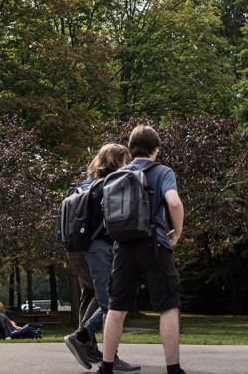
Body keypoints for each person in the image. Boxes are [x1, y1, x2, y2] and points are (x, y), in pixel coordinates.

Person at [100, 125, 186, 374]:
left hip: (123, 247)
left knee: (116, 308)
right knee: (168, 305)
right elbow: (174, 202)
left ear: (131, 148)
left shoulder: (116, 175)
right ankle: (173, 368)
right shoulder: (162, 171)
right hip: (154, 244)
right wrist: (177, 232)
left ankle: (106, 367)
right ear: (155, 149)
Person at [64, 143, 139, 372]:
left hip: (92, 249)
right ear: (115, 161)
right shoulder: (108, 185)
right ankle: (108, 357)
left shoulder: (94, 183)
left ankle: (82, 337)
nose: (127, 165)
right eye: (124, 161)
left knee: (109, 301)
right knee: (111, 304)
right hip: (100, 249)